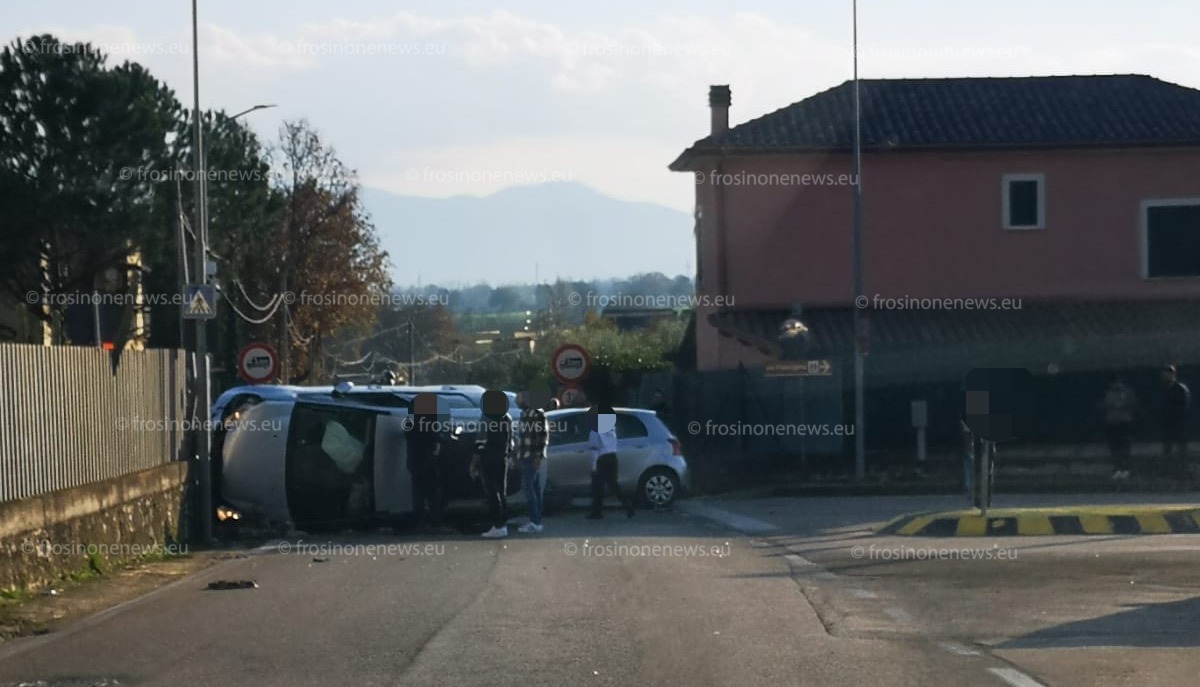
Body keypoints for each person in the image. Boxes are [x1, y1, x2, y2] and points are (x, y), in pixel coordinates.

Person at [471, 389, 513, 538]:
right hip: (503, 458)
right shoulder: (507, 417)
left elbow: (480, 442)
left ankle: (498, 525)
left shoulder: (487, 417)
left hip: (489, 458)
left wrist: (473, 464)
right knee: (502, 491)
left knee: (492, 490)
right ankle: (503, 523)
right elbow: (510, 442)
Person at [515, 393, 556, 534]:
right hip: (525, 455)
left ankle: (535, 521)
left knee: (529, 488)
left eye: (519, 399)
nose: (517, 402)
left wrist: (538, 455)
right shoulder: (524, 414)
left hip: (532, 456)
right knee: (535, 488)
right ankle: (537, 520)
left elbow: (543, 435)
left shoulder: (537, 413)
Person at [403, 393, 444, 528]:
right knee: (433, 492)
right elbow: (436, 437)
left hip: (414, 460)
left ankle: (419, 520)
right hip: (428, 460)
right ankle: (434, 520)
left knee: (417, 492)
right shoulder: (429, 421)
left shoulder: (410, 421)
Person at [587, 404, 634, 519]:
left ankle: (596, 512)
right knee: (613, 485)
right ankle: (628, 506)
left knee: (597, 487)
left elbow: (595, 448)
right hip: (612, 457)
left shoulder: (595, 430)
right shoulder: (611, 428)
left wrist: (593, 467)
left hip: (601, 459)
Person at [1102, 375, 1138, 480]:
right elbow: (1105, 405)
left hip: (1125, 422)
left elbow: (1133, 404)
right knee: (1114, 447)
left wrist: (1123, 406)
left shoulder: (1128, 392)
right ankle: (1117, 469)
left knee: (1125, 446)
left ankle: (1126, 469)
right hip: (1112, 422)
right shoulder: (1108, 393)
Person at [1160, 365, 1191, 478]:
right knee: (1168, 448)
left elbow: (1184, 406)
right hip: (1168, 423)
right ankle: (1169, 471)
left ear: (1173, 374)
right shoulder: (1164, 388)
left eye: (1167, 373)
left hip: (1178, 423)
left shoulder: (1180, 389)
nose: (1165, 375)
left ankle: (1182, 471)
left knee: (1181, 448)